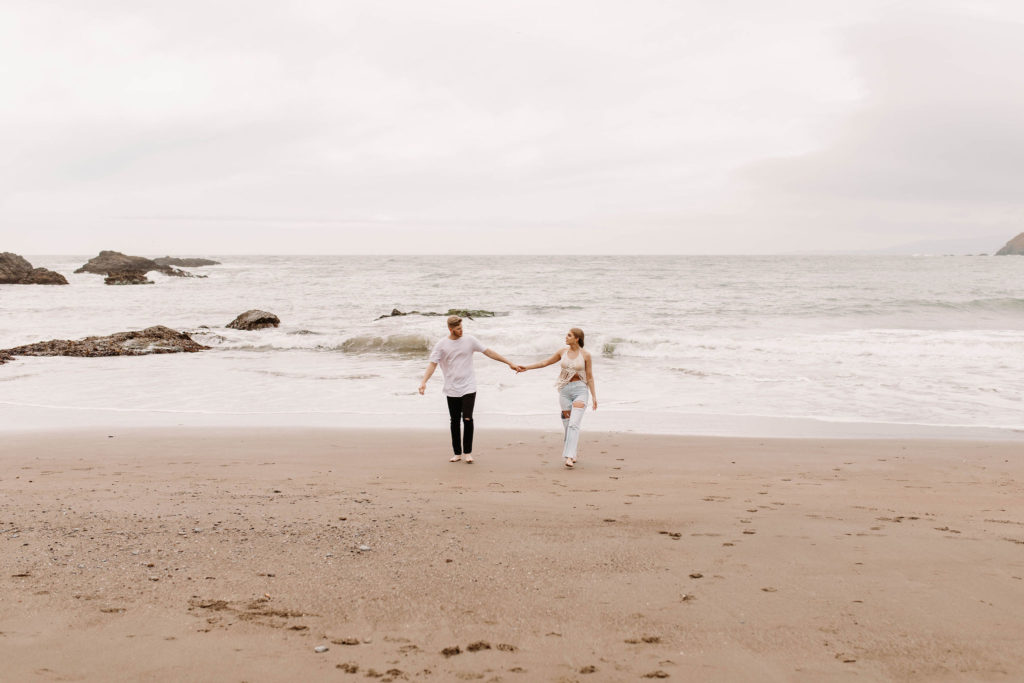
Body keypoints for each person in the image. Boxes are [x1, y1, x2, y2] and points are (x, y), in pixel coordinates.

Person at [419, 315, 523, 463]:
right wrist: (424, 382)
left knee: (467, 418)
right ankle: (457, 453)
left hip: (469, 386)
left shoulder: (470, 340)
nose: (461, 331)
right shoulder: (442, 344)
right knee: (454, 421)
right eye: (458, 329)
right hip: (451, 388)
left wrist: (509, 363)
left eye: (462, 328)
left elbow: (488, 352)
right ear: (450, 329)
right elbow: (432, 364)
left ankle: (467, 452)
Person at [518, 328, 597, 468]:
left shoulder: (586, 355)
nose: (566, 337)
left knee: (574, 424)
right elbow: (545, 363)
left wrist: (594, 396)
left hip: (580, 390)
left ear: (577, 338)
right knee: (568, 425)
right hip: (564, 391)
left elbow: (589, 377)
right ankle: (573, 452)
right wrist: (526, 368)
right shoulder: (562, 352)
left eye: (569, 335)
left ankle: (568, 456)